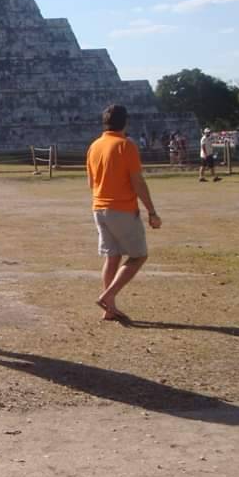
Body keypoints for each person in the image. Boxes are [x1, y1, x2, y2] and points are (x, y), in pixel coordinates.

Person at [85, 104, 162, 321]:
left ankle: (109, 309)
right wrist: (152, 211)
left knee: (112, 257)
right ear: (125, 122)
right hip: (121, 208)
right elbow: (137, 181)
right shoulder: (125, 146)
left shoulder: (94, 146)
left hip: (99, 208)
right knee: (138, 256)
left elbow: (91, 182)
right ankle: (108, 296)